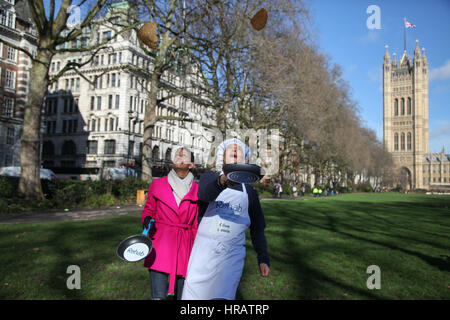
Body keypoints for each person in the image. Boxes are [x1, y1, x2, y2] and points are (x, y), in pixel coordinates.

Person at [181, 138, 270, 300]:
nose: (235, 149)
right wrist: (222, 181)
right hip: (205, 252)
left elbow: (258, 229)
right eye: (231, 148)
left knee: (223, 297)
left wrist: (263, 258)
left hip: (232, 255)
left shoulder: (250, 192)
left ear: (245, 160)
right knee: (193, 295)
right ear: (222, 157)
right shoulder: (210, 177)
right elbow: (204, 195)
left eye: (240, 150)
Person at [141, 147, 199, 300]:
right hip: (160, 243)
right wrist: (146, 219)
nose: (179, 157)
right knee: (158, 297)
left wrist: (197, 249)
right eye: (176, 155)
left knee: (183, 297)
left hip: (185, 247)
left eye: (184, 156)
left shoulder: (197, 191)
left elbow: (195, 224)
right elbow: (148, 210)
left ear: (191, 164)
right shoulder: (158, 184)